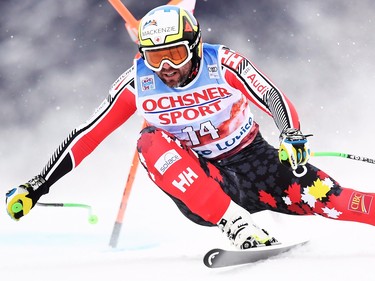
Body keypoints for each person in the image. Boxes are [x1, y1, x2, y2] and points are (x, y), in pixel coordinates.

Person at [6, 5, 375, 250]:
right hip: (205, 183)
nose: (165, 68)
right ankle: (236, 225)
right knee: (149, 141)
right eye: (154, 57)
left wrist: (291, 135)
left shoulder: (223, 63)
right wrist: (38, 184)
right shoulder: (137, 83)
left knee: (334, 199)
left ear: (195, 47)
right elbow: (89, 134)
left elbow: (272, 96)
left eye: (175, 55)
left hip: (257, 163)